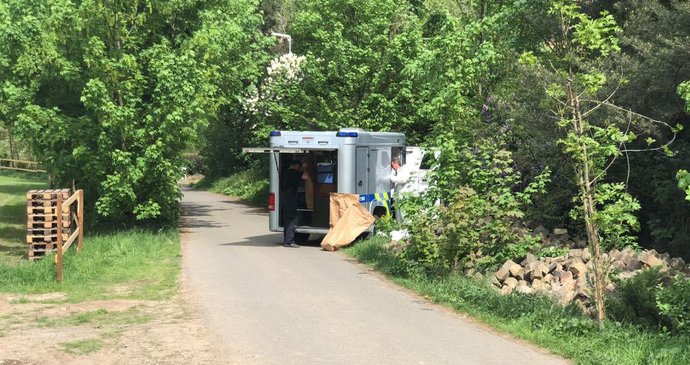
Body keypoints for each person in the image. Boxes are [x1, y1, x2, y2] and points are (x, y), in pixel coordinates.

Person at [281, 160, 302, 248]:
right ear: (297, 165)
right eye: (299, 167)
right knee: (292, 220)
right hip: (291, 200)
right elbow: (305, 177)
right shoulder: (294, 173)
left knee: (287, 220)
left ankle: (286, 240)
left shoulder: (285, 173)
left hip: (285, 199)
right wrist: (305, 169)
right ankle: (290, 241)